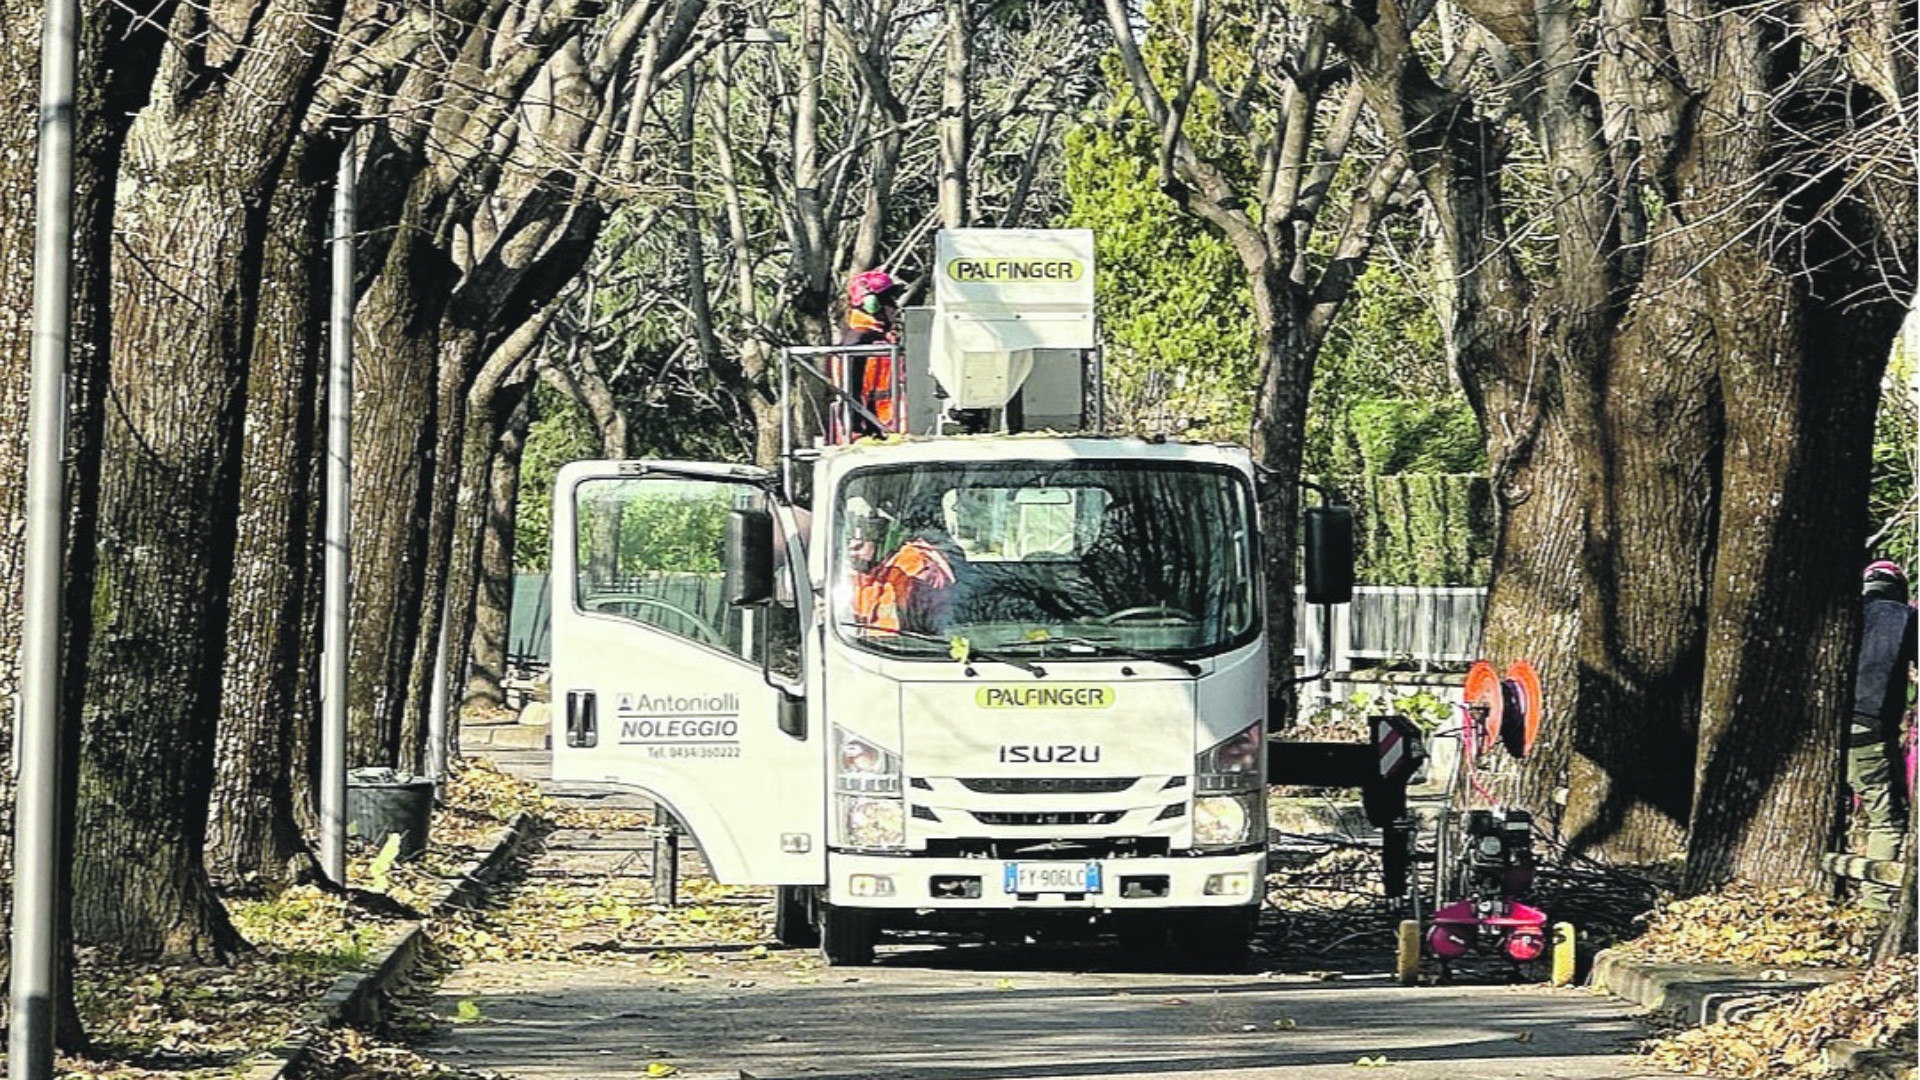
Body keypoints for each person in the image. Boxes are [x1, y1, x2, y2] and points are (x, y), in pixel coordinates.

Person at [1849, 559, 1918, 913]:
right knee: (1887, 820)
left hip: (1819, 729)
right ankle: (1873, 907)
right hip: (1871, 727)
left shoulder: (1841, 611)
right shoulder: (1904, 618)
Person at [847, 502, 961, 634]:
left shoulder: (912, 565)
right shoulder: (867, 571)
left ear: (883, 537)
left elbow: (887, 633)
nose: (852, 553)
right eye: (848, 547)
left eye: (859, 547)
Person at [838, 270, 906, 435]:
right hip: (875, 430)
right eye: (888, 299)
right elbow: (853, 391)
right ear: (871, 304)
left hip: (887, 427)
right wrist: (858, 428)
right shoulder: (858, 340)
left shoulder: (877, 336)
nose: (893, 305)